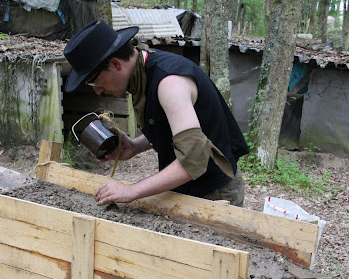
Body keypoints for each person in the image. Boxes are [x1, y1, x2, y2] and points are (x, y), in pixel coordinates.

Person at [63, 19, 250, 207]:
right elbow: (174, 128)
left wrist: (131, 191)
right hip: (187, 189)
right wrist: (135, 146)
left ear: (115, 64)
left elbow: (193, 159)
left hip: (215, 194)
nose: (97, 90)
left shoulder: (170, 83)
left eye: (95, 81)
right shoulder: (143, 72)